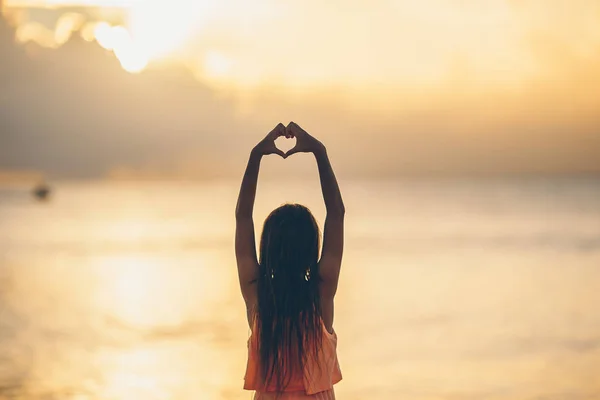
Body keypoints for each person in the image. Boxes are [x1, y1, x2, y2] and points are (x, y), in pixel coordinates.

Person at [235, 122, 345, 400]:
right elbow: (336, 213)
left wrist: (255, 157)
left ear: (268, 247)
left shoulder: (257, 295)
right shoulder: (320, 293)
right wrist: (319, 153)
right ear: (311, 247)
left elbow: (243, 218)